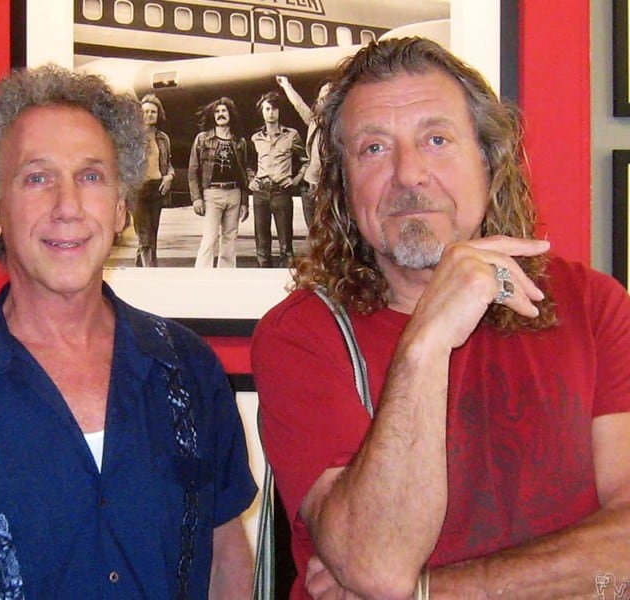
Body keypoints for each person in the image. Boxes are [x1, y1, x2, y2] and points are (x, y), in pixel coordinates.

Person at [251, 38, 630, 599]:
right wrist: (427, 338)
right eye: (374, 148)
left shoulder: (591, 305)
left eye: (437, 139)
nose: (409, 175)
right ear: (341, 185)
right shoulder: (300, 336)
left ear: (487, 159)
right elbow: (375, 563)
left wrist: (432, 592)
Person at [0, 65, 257, 599]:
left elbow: (225, 554)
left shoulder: (189, 368)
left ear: (120, 206)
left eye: (91, 176)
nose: (67, 207)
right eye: (37, 177)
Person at [189, 96, 250, 268]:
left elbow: (243, 173)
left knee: (230, 238)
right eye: (217, 111)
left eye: (224, 111)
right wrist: (196, 198)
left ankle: (226, 277)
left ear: (231, 114)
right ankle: (201, 277)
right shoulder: (202, 139)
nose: (220, 114)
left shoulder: (239, 142)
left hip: (234, 193)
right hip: (212, 193)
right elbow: (193, 171)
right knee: (209, 237)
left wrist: (245, 202)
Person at [249, 91, 308, 268]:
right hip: (260, 191)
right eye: (267, 109)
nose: (271, 112)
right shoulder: (256, 138)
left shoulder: (291, 135)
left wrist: (296, 179)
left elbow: (306, 160)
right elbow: (249, 163)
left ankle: (286, 283)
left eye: (274, 109)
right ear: (262, 112)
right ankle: (262, 282)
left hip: (281, 192)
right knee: (262, 244)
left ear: (279, 112)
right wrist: (251, 179)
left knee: (286, 245)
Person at [276, 75, 331, 230]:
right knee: (313, 232)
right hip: (310, 186)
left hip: (328, 187)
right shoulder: (313, 121)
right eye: (322, 93)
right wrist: (286, 85)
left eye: (329, 93)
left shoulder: (340, 125)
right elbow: (298, 104)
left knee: (328, 232)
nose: (324, 95)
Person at [132, 93, 174, 266]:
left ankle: (139, 270)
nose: (149, 115)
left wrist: (170, 176)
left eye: (153, 112)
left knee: (152, 236)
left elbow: (168, 163)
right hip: (138, 192)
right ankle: (151, 273)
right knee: (145, 237)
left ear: (158, 115)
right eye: (146, 112)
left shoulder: (163, 138)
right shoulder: (131, 138)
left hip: (157, 190)